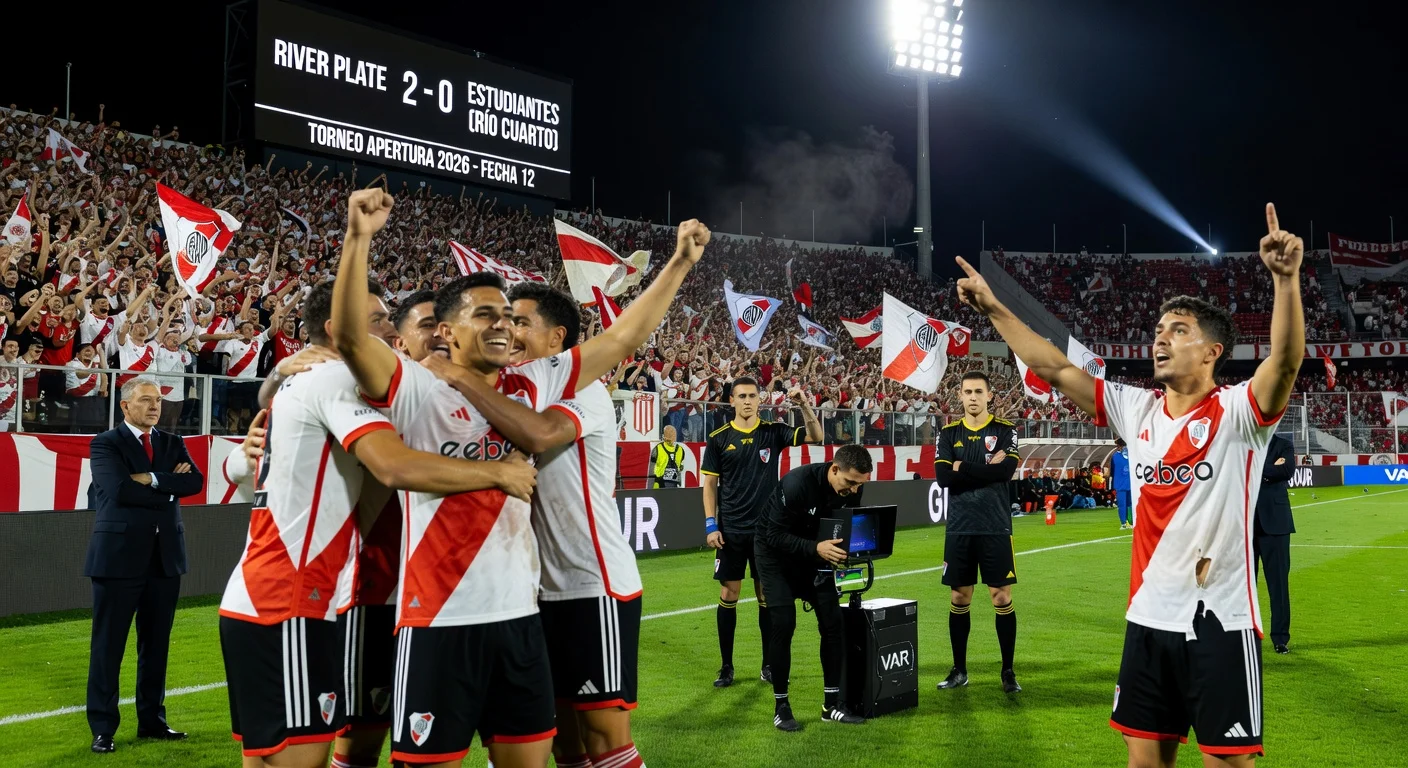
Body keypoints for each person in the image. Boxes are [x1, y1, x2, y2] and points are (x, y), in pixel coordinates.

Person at [331, 189, 708, 768]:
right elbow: (352, 338)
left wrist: (679, 262)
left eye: (509, 316)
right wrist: (358, 240)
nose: (504, 324)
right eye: (487, 314)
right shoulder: (414, 386)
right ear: (448, 331)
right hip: (437, 619)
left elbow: (624, 338)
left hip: (522, 617)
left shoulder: (536, 382)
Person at [953, 203, 1305, 765]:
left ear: (1213, 352)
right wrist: (995, 308)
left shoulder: (1239, 411)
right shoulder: (1133, 408)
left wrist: (1285, 282)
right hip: (1147, 619)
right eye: (1159, 329)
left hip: (1221, 624)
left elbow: (1284, 363)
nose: (1160, 339)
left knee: (1226, 762)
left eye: (1179, 331)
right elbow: (1053, 368)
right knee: (1144, 762)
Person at [217, 276, 537, 768]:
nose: (431, 337)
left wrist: (279, 378)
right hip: (348, 596)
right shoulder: (362, 386)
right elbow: (392, 466)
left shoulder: (426, 390)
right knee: (353, 743)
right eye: (406, 324)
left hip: (378, 597)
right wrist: (501, 472)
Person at [423, 281, 652, 768]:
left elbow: (541, 432)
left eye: (522, 322)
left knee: (606, 742)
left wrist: (461, 377)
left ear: (557, 340)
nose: (510, 330)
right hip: (537, 594)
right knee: (563, 744)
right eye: (504, 319)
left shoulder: (584, 391)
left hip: (592, 584)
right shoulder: (509, 391)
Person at [84, 377, 205, 754]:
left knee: (156, 647)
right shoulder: (105, 444)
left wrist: (152, 479)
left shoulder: (173, 442)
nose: (155, 406)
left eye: (158, 400)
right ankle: (103, 728)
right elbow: (118, 489)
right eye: (146, 400)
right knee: (108, 647)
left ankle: (152, 721)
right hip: (117, 559)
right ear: (125, 406)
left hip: (164, 560)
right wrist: (168, 487)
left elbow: (196, 483)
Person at [702, 376, 823, 688]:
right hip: (730, 531)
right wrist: (710, 524)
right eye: (741, 396)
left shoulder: (773, 432)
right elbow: (710, 485)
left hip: (766, 532)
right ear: (731, 400)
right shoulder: (718, 438)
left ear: (760, 399)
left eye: (752, 396)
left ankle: (768, 664)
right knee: (729, 593)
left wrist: (804, 404)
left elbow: (817, 436)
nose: (747, 401)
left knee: (765, 595)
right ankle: (726, 667)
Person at [755, 446, 873, 731]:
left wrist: (848, 551)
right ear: (834, 469)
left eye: (860, 484)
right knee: (783, 623)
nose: (855, 490)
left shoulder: (853, 488)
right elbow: (773, 535)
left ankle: (831, 706)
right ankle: (781, 706)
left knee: (834, 623)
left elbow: (841, 526)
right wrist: (815, 548)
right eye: (850, 482)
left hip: (814, 554)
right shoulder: (797, 484)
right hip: (774, 555)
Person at [933, 371, 1022, 694]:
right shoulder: (948, 433)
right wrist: (984, 470)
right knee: (960, 596)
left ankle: (1008, 671)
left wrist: (963, 467)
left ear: (990, 396)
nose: (972, 397)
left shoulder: (1005, 430)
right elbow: (943, 478)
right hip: (959, 527)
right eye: (967, 391)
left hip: (996, 526)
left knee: (1001, 597)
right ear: (959, 395)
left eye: (978, 391)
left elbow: (1005, 472)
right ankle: (959, 670)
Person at [1254, 435, 1296, 655]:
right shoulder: (1242, 441)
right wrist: (1270, 469)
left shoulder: (1284, 444)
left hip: (1277, 526)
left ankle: (1280, 638)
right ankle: (1246, 636)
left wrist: (1253, 470)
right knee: (1243, 588)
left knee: (1278, 585)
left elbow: (1287, 471)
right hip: (1244, 525)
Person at [1112, 437, 1133, 529]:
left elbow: (1112, 471)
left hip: (1121, 484)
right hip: (1129, 483)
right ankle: (1128, 522)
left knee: (1124, 504)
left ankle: (1125, 523)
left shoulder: (1115, 456)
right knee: (1128, 504)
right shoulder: (1133, 455)